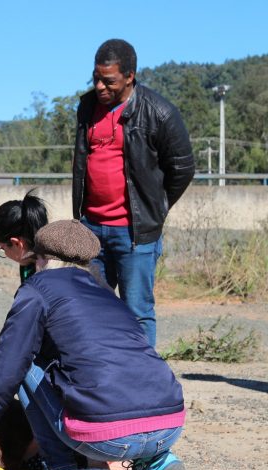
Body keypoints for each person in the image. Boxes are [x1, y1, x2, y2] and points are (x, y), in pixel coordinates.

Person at [0, 220, 186, 470]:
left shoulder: (37, 289)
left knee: (25, 363)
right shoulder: (106, 294)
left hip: (108, 438)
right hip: (170, 427)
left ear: (40, 258)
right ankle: (154, 460)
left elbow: (5, 369)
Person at [72, 38, 195, 347]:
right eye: (96, 78)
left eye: (108, 80)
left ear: (130, 76)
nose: (100, 86)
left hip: (135, 234)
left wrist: (156, 208)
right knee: (91, 311)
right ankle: (102, 380)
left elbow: (182, 168)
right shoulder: (87, 106)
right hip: (92, 230)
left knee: (137, 313)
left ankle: (143, 386)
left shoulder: (160, 112)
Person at [0, 190, 49, 283]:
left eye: (2, 248)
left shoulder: (41, 283)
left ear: (17, 244)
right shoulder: (30, 263)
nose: (3, 252)